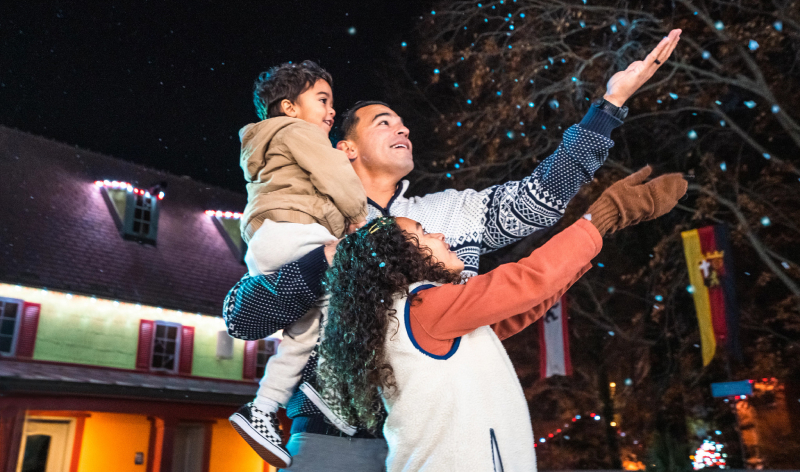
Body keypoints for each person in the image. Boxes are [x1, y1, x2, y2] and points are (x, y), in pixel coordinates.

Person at [224, 30, 682, 471]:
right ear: (346, 149)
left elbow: (540, 198)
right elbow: (243, 316)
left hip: (444, 430)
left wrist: (609, 107)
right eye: (384, 122)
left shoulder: (449, 214)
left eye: (403, 123)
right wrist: (331, 256)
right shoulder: (310, 218)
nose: (403, 128)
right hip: (336, 437)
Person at [317, 167, 688, 470]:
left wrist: (599, 232)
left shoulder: (421, 315)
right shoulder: (423, 306)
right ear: (401, 257)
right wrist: (605, 214)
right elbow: (524, 282)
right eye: (423, 233)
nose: (440, 234)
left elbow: (525, 303)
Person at [229, 60, 367, 469]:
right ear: (289, 107)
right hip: (293, 231)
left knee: (303, 334)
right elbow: (335, 178)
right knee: (354, 290)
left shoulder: (271, 142)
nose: (331, 110)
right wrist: (360, 218)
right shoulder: (297, 131)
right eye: (322, 99)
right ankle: (334, 394)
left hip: (271, 241)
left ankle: (263, 407)